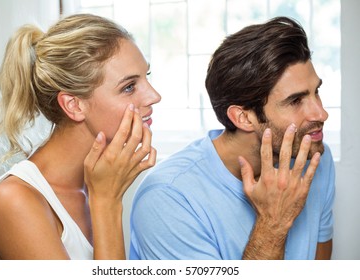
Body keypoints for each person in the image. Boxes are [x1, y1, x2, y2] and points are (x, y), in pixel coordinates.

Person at [129, 16, 335, 260]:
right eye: (295, 101)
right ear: (243, 118)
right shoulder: (167, 198)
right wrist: (273, 223)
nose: (321, 113)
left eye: (316, 92)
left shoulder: (313, 157)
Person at [0, 13, 161, 260]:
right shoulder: (14, 201)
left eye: (147, 77)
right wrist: (107, 204)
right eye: (129, 87)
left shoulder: (102, 181)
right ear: (74, 105)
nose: (154, 96)